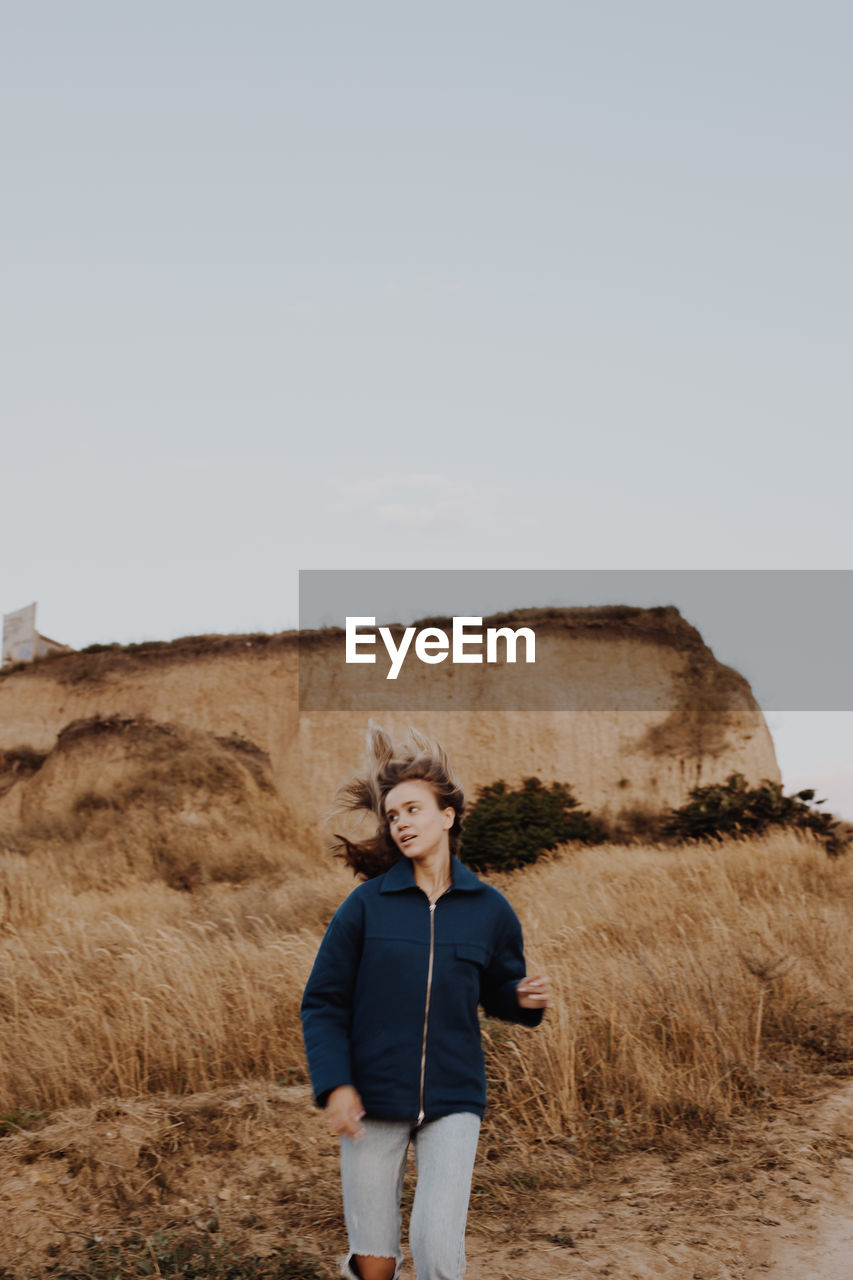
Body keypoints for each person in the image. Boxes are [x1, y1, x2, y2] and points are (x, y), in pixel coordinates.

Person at [300, 725, 551, 1280]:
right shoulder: (365, 907)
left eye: (413, 809)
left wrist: (522, 998)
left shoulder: (490, 909)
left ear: (448, 816)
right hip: (372, 1098)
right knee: (375, 1256)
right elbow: (322, 1002)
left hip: (454, 1097)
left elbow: (499, 992)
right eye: (393, 816)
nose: (402, 823)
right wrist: (337, 1084)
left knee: (438, 1251)